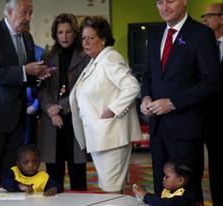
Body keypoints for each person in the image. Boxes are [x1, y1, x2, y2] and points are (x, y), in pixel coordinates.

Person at [139, 0, 220, 204]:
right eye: (159, 2)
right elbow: (148, 76)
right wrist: (145, 97)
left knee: (187, 191)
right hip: (157, 127)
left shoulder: (202, 34)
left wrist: (173, 102)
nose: (164, 6)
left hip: (186, 127)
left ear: (184, 1)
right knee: (161, 186)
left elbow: (211, 82)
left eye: (170, 1)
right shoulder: (155, 33)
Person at [0, 0, 54, 190]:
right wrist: (25, 71)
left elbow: (25, 76)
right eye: (24, 12)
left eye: (30, 13)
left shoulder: (27, 38)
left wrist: (39, 75)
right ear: (9, 12)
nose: (28, 18)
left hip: (18, 117)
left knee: (11, 175)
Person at [69, 16, 142, 193]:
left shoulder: (110, 57)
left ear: (102, 39)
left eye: (91, 38)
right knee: (110, 187)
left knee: (111, 188)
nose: (85, 42)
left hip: (111, 136)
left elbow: (132, 86)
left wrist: (111, 110)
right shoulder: (95, 60)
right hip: (101, 136)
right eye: (83, 38)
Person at [37, 13, 90, 192]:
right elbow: (41, 88)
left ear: (75, 33)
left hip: (75, 120)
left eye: (68, 31)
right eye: (60, 32)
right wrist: (51, 109)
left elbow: (83, 88)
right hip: (51, 122)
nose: (64, 36)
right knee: (53, 178)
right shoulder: (47, 56)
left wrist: (60, 108)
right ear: (55, 34)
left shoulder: (85, 56)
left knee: (78, 176)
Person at [202, 3, 223, 205]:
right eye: (204, 15)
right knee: (215, 171)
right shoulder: (202, 46)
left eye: (209, 15)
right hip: (208, 120)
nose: (205, 19)